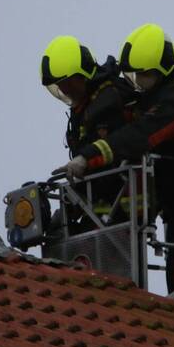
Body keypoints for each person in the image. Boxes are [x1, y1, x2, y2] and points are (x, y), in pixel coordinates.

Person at [53, 23, 174, 327]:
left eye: (143, 75)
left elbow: (141, 134)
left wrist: (89, 156)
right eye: (133, 76)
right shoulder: (163, 90)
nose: (137, 83)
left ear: (163, 69)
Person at [41, 35, 133, 229]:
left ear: (83, 74)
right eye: (60, 87)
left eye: (68, 84)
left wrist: (72, 198)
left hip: (120, 206)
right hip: (100, 209)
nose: (65, 91)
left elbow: (107, 166)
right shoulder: (86, 105)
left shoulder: (107, 101)